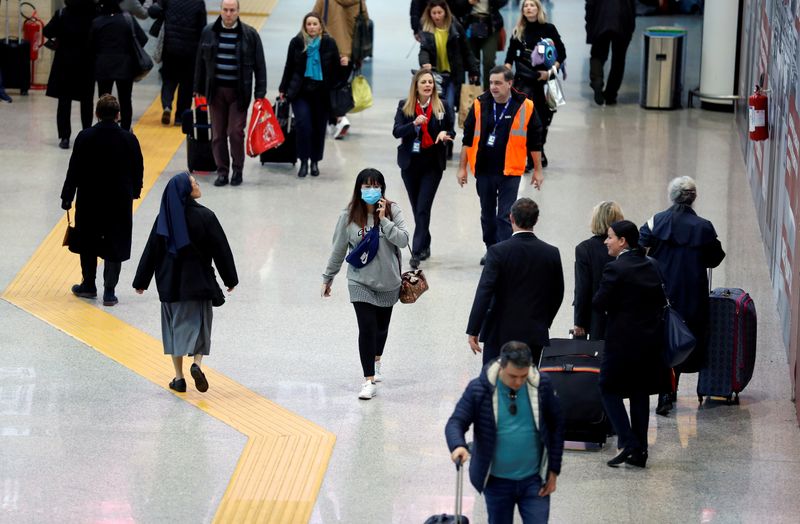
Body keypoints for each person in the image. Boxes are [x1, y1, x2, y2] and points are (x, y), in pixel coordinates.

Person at [133, 173, 238, 394]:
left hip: (170, 285)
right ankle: (196, 365)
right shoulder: (206, 216)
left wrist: (141, 281)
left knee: (173, 330)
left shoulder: (165, 217)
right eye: (193, 183)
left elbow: (151, 250)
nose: (197, 185)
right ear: (185, 191)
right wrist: (230, 279)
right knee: (200, 328)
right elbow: (221, 250)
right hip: (198, 284)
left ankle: (179, 378)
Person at [445, 341, 564, 523]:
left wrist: (553, 471)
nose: (518, 382)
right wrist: (458, 445)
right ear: (501, 366)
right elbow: (456, 422)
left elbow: (557, 426)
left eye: (523, 376)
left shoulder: (541, 385)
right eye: (512, 376)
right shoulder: (479, 389)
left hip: (534, 480)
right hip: (496, 482)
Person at [639, 176, 726, 415]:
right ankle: (680, 387)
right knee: (684, 337)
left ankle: (666, 391)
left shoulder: (656, 221)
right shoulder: (704, 227)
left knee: (663, 338)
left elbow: (640, 249)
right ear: (694, 198)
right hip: (692, 292)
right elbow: (715, 258)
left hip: (660, 290)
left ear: (671, 196)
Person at [322, 168, 409, 400]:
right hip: (359, 281)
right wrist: (328, 277)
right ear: (359, 189)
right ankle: (368, 379)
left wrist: (384, 221)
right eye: (367, 186)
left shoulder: (392, 210)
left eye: (375, 186)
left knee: (381, 329)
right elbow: (339, 249)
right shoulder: (349, 215)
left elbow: (403, 240)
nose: (371, 190)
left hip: (388, 281)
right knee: (367, 328)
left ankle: (377, 359)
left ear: (382, 188)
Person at [592, 220, 671, 468]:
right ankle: (640, 453)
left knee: (606, 386)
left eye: (610, 237)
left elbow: (599, 303)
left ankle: (628, 441)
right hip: (649, 342)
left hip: (621, 342)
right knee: (639, 393)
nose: (606, 241)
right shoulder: (652, 265)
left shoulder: (615, 268)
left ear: (623, 241)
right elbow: (660, 300)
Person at [60, 95, 144, 306]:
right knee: (115, 242)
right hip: (119, 201)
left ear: (96, 114)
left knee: (88, 240)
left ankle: (88, 284)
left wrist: (67, 196)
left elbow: (74, 169)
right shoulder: (129, 139)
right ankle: (109, 291)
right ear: (118, 115)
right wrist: (135, 191)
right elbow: (138, 169)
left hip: (90, 199)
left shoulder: (85, 137)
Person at [457, 66, 543, 262]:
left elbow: (535, 141)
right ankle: (491, 248)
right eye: (491, 83)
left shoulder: (525, 106)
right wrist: (462, 167)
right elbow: (468, 137)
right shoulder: (480, 103)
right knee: (487, 215)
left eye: (498, 83)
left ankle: (502, 255)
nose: (493, 87)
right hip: (484, 170)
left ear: (510, 84)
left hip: (510, 171)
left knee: (505, 215)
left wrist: (537, 170)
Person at [466, 198, 564, 365]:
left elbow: (485, 292)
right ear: (536, 220)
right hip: (534, 332)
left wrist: (474, 329)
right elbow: (557, 293)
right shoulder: (551, 253)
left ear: (511, 217)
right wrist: (543, 321)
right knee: (526, 382)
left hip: (499, 332)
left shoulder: (498, 252)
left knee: (495, 381)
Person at [195, 0, 267, 187]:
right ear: (220, 11)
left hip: (239, 92)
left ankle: (237, 170)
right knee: (218, 134)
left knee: (235, 132)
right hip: (215, 91)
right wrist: (197, 88)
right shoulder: (209, 32)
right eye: (225, 10)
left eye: (232, 10)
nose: (228, 14)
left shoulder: (250, 35)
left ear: (238, 11)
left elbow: (260, 66)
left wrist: (260, 92)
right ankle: (222, 171)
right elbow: (200, 63)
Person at [392, 69, 455, 269]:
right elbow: (396, 132)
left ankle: (416, 251)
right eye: (424, 82)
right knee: (416, 207)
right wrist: (413, 124)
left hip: (432, 164)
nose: (428, 85)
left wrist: (445, 132)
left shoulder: (442, 105)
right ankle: (426, 243)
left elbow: (451, 128)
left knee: (422, 208)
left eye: (430, 82)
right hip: (410, 164)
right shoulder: (405, 106)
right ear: (416, 87)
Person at [279, 12, 343, 178]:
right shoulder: (297, 42)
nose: (312, 27)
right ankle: (304, 161)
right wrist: (283, 88)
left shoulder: (329, 43)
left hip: (322, 94)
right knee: (303, 125)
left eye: (315, 24)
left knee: (318, 128)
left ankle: (315, 161)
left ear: (320, 26)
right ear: (304, 26)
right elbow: (289, 66)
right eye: (309, 24)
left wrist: (345, 66)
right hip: (300, 92)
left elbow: (336, 71)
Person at [503, 0, 565, 168]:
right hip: (525, 82)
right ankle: (529, 155)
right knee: (527, 120)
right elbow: (509, 57)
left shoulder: (549, 29)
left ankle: (539, 149)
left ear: (538, 9)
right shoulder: (518, 31)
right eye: (526, 6)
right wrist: (505, 79)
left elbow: (561, 55)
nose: (529, 8)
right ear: (522, 10)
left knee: (545, 119)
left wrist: (549, 73)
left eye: (533, 5)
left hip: (545, 82)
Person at [312, 0, 369, 139]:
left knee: (325, 87)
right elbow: (365, 24)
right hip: (349, 53)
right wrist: (358, 56)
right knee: (339, 87)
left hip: (326, 51)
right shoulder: (360, 2)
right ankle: (335, 121)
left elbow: (313, 19)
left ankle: (338, 119)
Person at [43, 0, 96, 149]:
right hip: (87, 64)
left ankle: (65, 137)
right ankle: (87, 135)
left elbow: (47, 31)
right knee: (87, 102)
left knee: (64, 102)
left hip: (65, 63)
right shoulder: (93, 15)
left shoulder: (62, 14)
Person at [90, 0, 148, 131]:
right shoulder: (127, 19)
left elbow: (90, 46)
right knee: (126, 100)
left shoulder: (97, 22)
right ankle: (125, 129)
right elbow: (142, 39)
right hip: (125, 66)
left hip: (103, 66)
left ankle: (104, 128)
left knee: (104, 100)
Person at [148, 0, 207, 126]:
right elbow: (203, 28)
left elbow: (153, 11)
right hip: (190, 51)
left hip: (170, 48)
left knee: (168, 78)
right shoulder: (198, 3)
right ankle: (180, 117)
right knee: (186, 84)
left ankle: (167, 105)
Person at [418, 0, 479, 119]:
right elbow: (424, 50)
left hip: (453, 74)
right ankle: (439, 130)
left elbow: (466, 50)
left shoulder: (455, 27)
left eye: (439, 12)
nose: (437, 16)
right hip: (435, 75)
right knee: (437, 106)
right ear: (429, 14)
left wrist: (473, 70)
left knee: (450, 106)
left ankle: (448, 133)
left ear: (445, 12)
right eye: (434, 13)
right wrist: (424, 62)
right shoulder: (426, 29)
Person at [573, 201, 624, 340]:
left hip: (596, 317)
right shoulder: (624, 245)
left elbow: (582, 288)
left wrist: (579, 321)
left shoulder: (584, 249)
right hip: (623, 315)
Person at [585, 0, 636, 105]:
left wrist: (589, 26)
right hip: (623, 19)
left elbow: (590, 4)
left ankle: (597, 79)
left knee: (597, 55)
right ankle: (610, 94)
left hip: (600, 18)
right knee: (618, 60)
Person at [464, 0, 508, 89]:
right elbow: (455, 5)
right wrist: (468, 2)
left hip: (491, 24)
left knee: (489, 61)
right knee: (472, 63)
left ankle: (489, 91)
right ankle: (474, 92)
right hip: (470, 23)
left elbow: (503, 2)